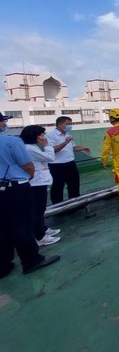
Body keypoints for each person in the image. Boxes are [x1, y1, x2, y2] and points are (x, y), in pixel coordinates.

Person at [0, 112, 60, 278]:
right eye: (3, 122)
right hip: (14, 188)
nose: (4, 125)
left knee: (2, 228)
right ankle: (31, 261)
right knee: (22, 225)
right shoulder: (12, 142)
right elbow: (28, 167)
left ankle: (3, 265)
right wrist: (25, 180)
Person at [19, 125, 61, 246]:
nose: (43, 137)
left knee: (40, 209)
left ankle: (43, 229)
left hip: (41, 181)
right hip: (37, 182)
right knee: (37, 210)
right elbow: (50, 157)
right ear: (35, 136)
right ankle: (40, 236)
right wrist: (47, 146)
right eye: (41, 135)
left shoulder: (32, 147)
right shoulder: (30, 149)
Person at [46, 116, 90, 204]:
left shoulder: (67, 134)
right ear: (60, 124)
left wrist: (83, 148)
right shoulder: (50, 136)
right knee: (58, 187)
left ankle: (75, 203)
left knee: (74, 184)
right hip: (57, 165)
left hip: (70, 164)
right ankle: (58, 206)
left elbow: (73, 147)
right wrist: (65, 142)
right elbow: (53, 150)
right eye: (68, 124)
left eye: (71, 124)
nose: (70, 126)